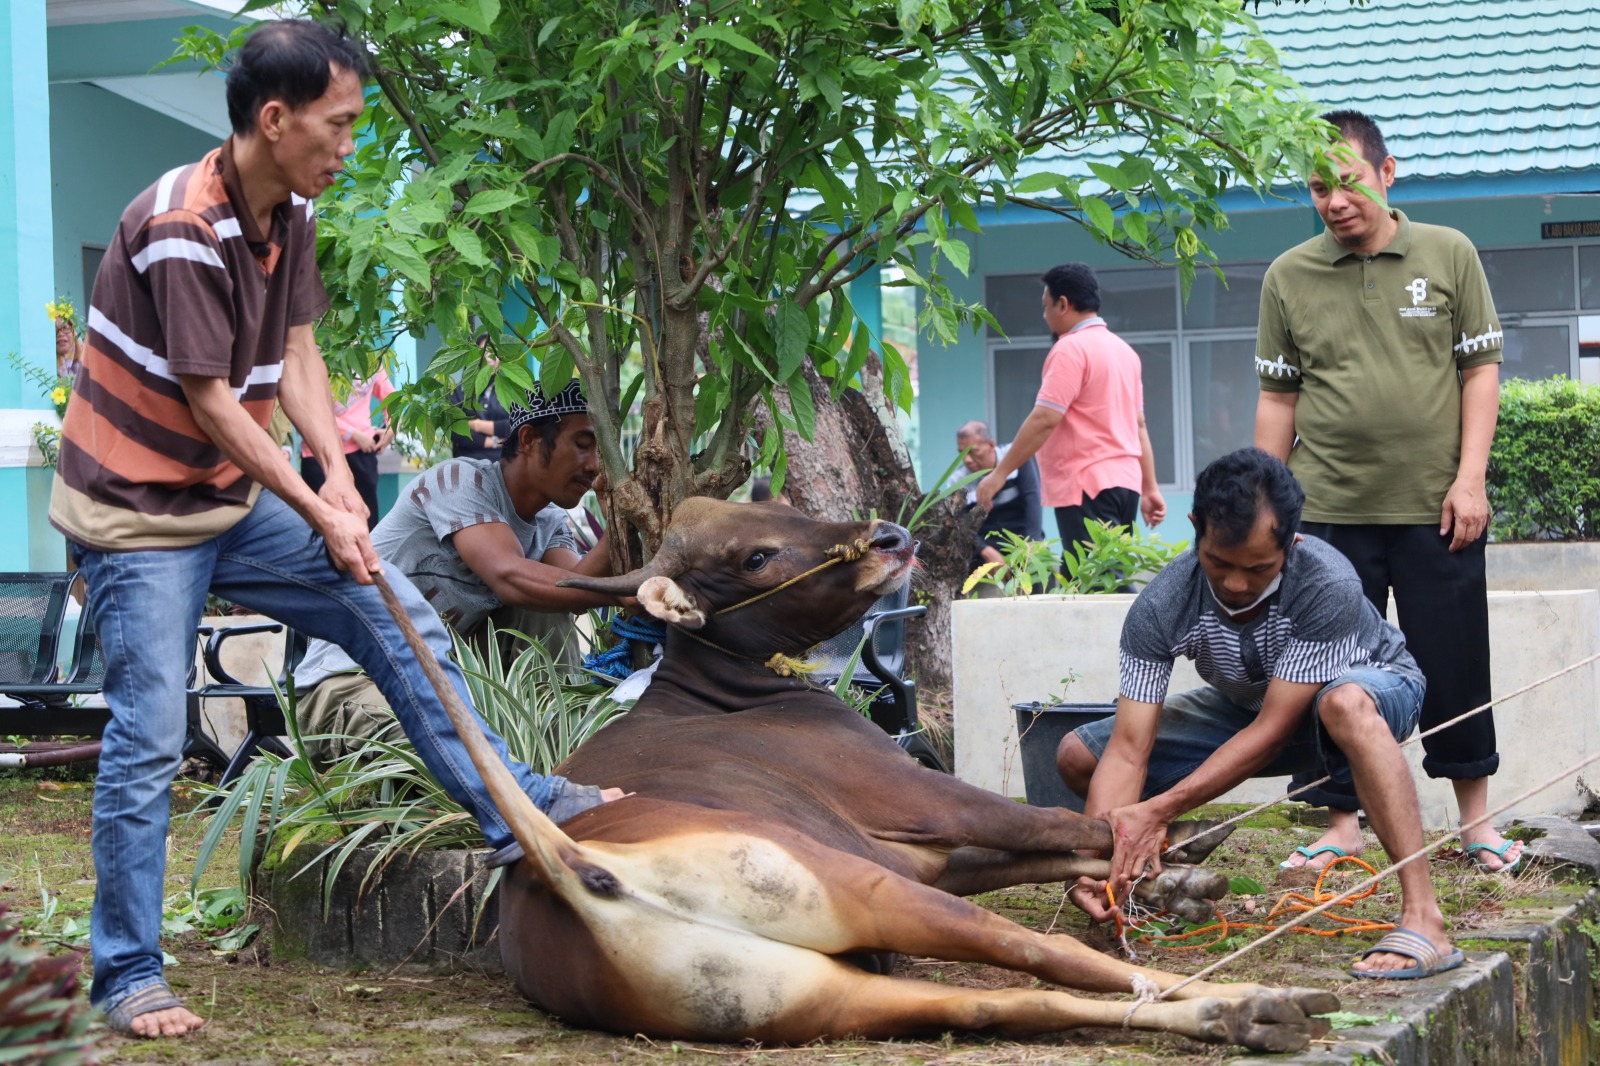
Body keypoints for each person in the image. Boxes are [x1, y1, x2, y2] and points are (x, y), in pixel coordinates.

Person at [47, 20, 616, 1039]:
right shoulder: (181, 223)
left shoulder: (291, 210)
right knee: (149, 736)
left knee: (386, 600)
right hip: (137, 515)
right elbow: (216, 400)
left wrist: (337, 479)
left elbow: (299, 351)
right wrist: (315, 502)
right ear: (275, 119)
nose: (350, 143)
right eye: (339, 123)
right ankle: (128, 973)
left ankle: (513, 808)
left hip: (226, 495)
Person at [1059, 448, 1456, 979]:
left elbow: (1272, 733)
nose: (1238, 584)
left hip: (1370, 693)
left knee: (1342, 703)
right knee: (1079, 753)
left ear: (1290, 543)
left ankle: (1424, 917)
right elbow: (1129, 749)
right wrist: (1100, 860)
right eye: (1219, 563)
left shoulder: (1325, 583)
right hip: (1250, 704)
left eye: (1259, 568)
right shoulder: (1161, 606)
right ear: (1196, 527)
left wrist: (1157, 808)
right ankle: (1143, 876)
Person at [1253, 109, 1520, 875]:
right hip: (1327, 513)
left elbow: (1480, 372)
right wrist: (1272, 513)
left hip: (1438, 511)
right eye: (1316, 188)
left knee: (1455, 658)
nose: (1334, 201)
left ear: (1386, 172)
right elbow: (1279, 400)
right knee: (1326, 668)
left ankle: (1477, 821)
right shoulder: (1288, 276)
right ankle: (1342, 823)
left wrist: (1471, 480)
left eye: (1348, 182)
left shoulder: (1448, 253)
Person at [294, 380, 627, 760]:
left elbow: (577, 587)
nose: (596, 465)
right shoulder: (459, 482)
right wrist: (625, 584)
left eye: (603, 451)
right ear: (531, 438)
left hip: (435, 690)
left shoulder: (550, 520)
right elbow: (510, 576)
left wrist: (622, 519)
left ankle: (560, 743)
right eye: (584, 444)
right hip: (347, 683)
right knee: (444, 742)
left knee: (546, 603)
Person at [976, 262, 1166, 552]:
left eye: (1046, 306)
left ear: (1063, 304)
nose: (1044, 315)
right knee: (1091, 574)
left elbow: (1045, 419)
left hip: (1087, 486)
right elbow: (1139, 425)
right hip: (1125, 485)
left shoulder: (1070, 349)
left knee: (1098, 580)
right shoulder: (1125, 352)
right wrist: (1149, 487)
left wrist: (999, 474)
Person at [300, 367, 394, 527]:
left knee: (367, 524)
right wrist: (353, 434)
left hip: (362, 453)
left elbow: (392, 399)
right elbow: (311, 408)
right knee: (325, 527)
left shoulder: (370, 360)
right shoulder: (316, 357)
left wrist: (391, 429)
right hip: (319, 453)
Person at [953, 420, 1044, 571]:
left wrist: (1033, 541)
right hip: (984, 545)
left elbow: (1032, 498)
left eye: (973, 451)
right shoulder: (957, 480)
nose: (967, 459)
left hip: (1022, 538)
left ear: (991, 444)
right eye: (961, 453)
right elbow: (960, 523)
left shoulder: (1017, 457)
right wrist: (985, 551)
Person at [450, 333, 512, 460]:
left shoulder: (509, 392)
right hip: (467, 462)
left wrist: (477, 425)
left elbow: (514, 426)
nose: (491, 355)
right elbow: (455, 431)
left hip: (503, 463)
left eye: (495, 351)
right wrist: (495, 441)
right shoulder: (456, 392)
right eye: (485, 350)